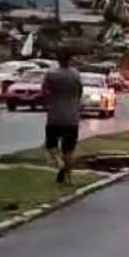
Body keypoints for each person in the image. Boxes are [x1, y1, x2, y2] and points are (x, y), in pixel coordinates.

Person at [41, 51, 83, 184]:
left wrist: (48, 102)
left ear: (58, 60)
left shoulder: (51, 74)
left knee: (51, 145)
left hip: (55, 116)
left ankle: (60, 163)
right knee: (69, 150)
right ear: (70, 60)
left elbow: (44, 92)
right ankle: (68, 178)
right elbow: (80, 92)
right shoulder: (76, 74)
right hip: (72, 118)